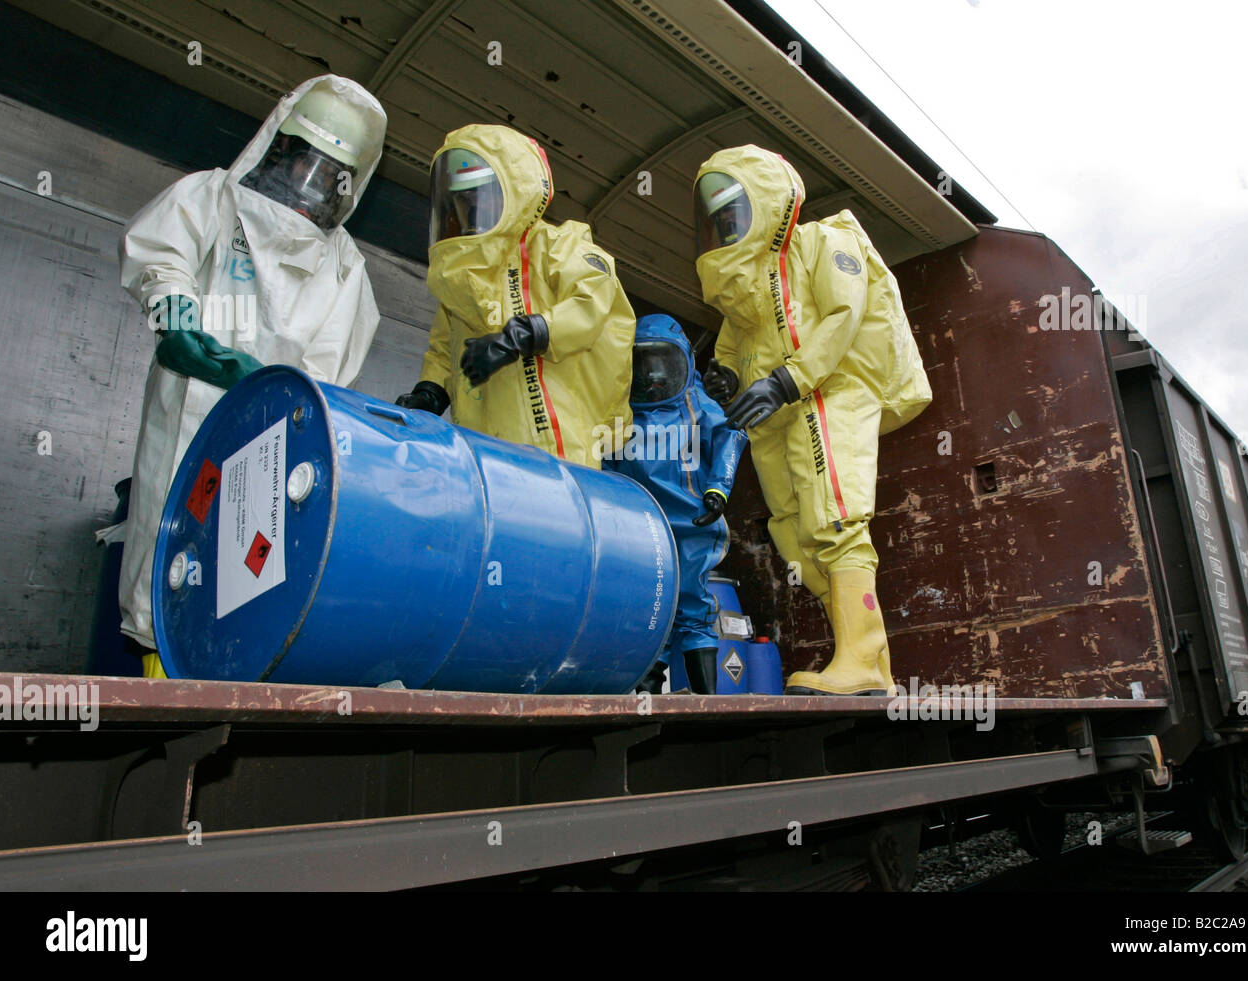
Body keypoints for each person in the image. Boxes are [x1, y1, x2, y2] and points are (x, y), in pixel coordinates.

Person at [118, 75, 387, 677]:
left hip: (267, 452)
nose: (311, 184)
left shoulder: (345, 269)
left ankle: (217, 690)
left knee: (244, 586)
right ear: (279, 146)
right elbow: (160, 256)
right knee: (161, 574)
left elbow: (324, 381)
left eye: (331, 176)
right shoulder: (212, 198)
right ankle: (160, 681)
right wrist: (174, 316)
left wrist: (267, 391)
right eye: (305, 163)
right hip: (184, 420)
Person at [694, 145, 932, 696]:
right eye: (717, 219)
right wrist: (725, 378)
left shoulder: (826, 241)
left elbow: (843, 316)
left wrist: (786, 380)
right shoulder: (746, 285)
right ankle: (872, 664)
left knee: (836, 521)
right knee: (796, 535)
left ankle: (861, 659)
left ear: (765, 204)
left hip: (830, 395)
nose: (725, 228)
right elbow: (732, 348)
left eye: (733, 213)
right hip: (776, 416)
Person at [396, 125, 633, 470]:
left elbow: (590, 304)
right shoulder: (463, 274)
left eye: (478, 195)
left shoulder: (558, 246)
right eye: (461, 199)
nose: (468, 207)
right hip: (480, 453)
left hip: (556, 450)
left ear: (514, 192)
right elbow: (444, 348)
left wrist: (519, 337)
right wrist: (429, 393)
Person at [603, 314, 748, 694]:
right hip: (641, 527)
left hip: (691, 523)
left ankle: (706, 699)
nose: (653, 374)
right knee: (650, 606)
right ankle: (647, 692)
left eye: (662, 362)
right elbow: (604, 462)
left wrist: (718, 491)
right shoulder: (620, 412)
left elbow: (730, 438)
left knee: (692, 603)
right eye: (643, 363)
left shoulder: (696, 404)